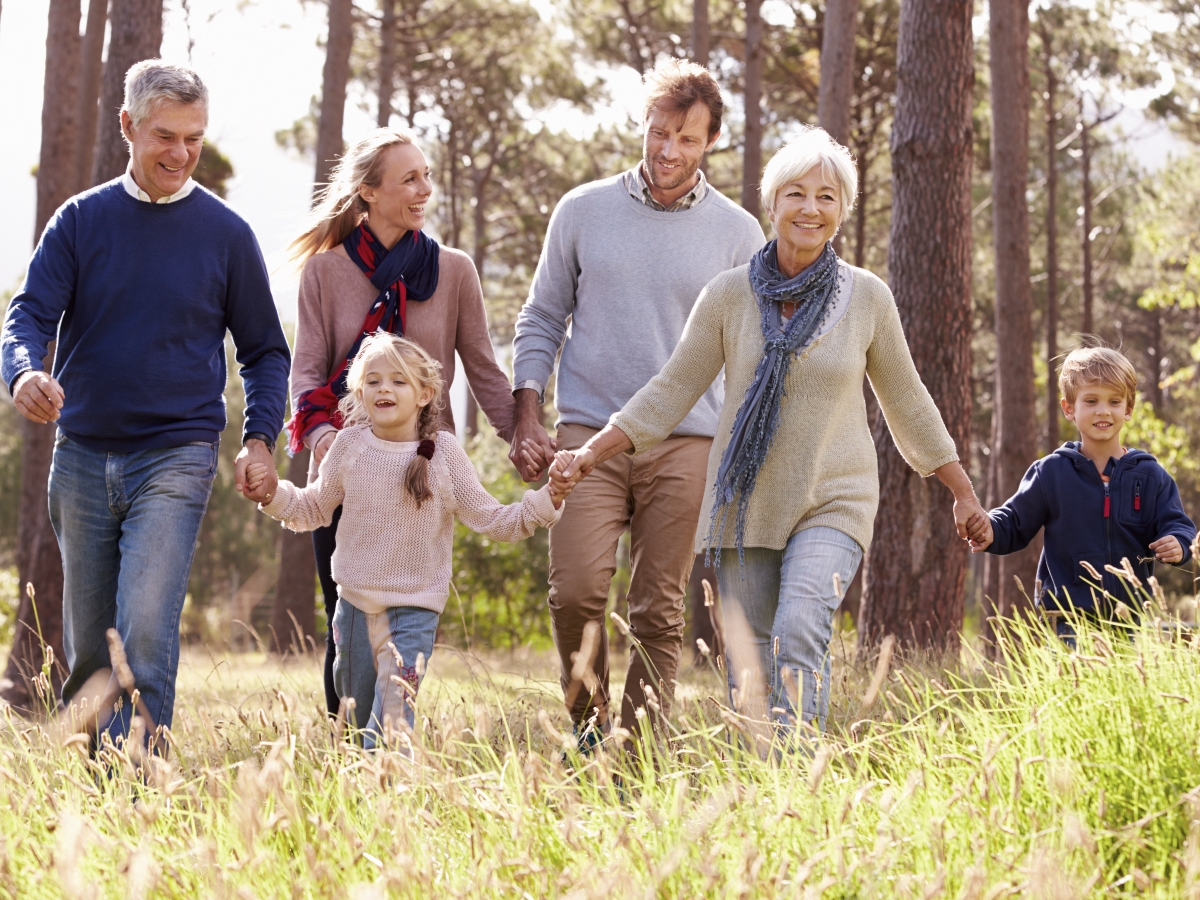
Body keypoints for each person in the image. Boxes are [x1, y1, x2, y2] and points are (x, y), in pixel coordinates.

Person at [555, 126, 989, 736]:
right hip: (747, 501)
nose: (810, 208)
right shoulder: (728, 295)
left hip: (834, 498)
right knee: (750, 659)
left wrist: (961, 490)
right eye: (796, 193)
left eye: (827, 197)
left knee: (799, 628)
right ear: (772, 202)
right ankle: (766, 788)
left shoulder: (867, 298)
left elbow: (907, 399)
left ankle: (796, 781)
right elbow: (672, 389)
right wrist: (591, 450)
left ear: (842, 210)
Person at [0, 61, 290, 747]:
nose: (181, 153)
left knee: (146, 628)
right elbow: (28, 317)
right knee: (92, 644)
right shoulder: (80, 221)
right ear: (128, 126)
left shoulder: (226, 235)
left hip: (178, 453)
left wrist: (258, 439)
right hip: (82, 458)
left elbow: (265, 351)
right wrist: (21, 375)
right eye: (165, 135)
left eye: (193, 138)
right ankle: (97, 787)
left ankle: (140, 783)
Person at [511, 59, 766, 745]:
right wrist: (527, 411)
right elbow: (541, 317)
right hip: (586, 435)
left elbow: (751, 351)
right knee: (575, 591)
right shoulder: (582, 210)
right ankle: (588, 728)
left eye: (686, 139)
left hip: (687, 440)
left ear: (710, 141)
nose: (667, 151)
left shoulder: (739, 235)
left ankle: (640, 751)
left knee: (657, 608)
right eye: (658, 133)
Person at [286, 127, 542, 719]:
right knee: (346, 622)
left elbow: (483, 369)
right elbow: (307, 373)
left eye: (427, 175)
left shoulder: (453, 271)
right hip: (345, 472)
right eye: (410, 179)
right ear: (369, 193)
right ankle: (350, 750)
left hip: (422, 474)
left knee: (408, 620)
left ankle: (391, 745)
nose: (426, 189)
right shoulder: (324, 273)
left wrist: (523, 440)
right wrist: (329, 444)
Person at [246, 334, 571, 745]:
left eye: (399, 381)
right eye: (374, 381)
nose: (385, 389)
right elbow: (313, 508)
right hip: (355, 611)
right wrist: (273, 494)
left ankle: (393, 798)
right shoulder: (348, 446)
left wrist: (549, 498)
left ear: (424, 394)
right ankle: (364, 800)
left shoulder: (443, 455)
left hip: (413, 614)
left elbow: (495, 520)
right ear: (360, 392)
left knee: (392, 727)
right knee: (358, 724)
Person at [984, 346, 1195, 637]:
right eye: (1091, 400)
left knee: (1124, 683)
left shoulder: (1150, 475)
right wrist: (986, 529)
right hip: (1067, 618)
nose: (1103, 410)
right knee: (1073, 683)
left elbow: (1177, 523)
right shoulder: (1050, 473)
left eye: (1114, 401)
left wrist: (1178, 543)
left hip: (1130, 618)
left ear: (1128, 408)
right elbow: (1012, 523)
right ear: (1069, 408)